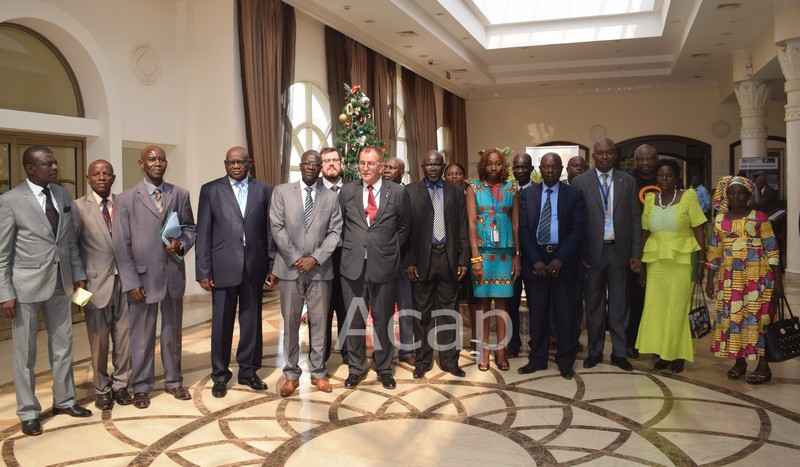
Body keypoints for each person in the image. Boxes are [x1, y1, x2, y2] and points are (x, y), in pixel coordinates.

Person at [0, 146, 91, 436]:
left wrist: (77, 274)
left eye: (55, 163)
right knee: (24, 354)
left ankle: (65, 400)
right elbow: (2, 254)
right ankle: (28, 412)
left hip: (60, 284)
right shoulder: (10, 201)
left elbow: (68, 243)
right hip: (24, 288)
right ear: (30, 168)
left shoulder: (62, 195)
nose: (55, 168)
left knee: (63, 346)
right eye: (48, 164)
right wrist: (5, 293)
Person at [112, 145, 197, 409]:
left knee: (172, 333)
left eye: (161, 158)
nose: (157, 162)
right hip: (142, 280)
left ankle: (174, 382)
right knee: (142, 335)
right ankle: (141, 386)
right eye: (152, 159)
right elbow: (121, 246)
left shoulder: (179, 194)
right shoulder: (125, 199)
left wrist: (181, 244)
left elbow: (190, 228)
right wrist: (131, 282)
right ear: (141, 164)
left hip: (172, 274)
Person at [195, 146, 274, 398]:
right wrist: (203, 270)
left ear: (249, 163)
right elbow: (203, 232)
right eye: (231, 162)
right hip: (222, 267)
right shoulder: (210, 190)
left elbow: (269, 231)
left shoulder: (264, 190)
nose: (236, 166)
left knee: (251, 323)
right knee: (221, 324)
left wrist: (272, 267)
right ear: (225, 164)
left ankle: (248, 371)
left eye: (240, 162)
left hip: (254, 266)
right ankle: (219, 374)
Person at [271, 150, 342, 397]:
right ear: (300, 166)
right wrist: (296, 258)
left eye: (316, 163)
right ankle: (291, 374)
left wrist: (315, 258)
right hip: (290, 269)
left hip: (320, 270)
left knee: (320, 323)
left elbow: (335, 232)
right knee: (290, 324)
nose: (312, 167)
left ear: (321, 167)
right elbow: (277, 227)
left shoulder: (331, 197)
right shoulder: (281, 192)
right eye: (307, 163)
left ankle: (319, 372)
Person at [338, 145, 410, 390]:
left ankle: (384, 368)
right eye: (361, 163)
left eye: (370, 164)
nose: (364, 168)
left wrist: (386, 248)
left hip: (385, 265)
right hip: (352, 266)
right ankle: (356, 368)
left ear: (381, 167)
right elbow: (342, 225)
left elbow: (404, 228)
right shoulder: (348, 191)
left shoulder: (398, 193)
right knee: (354, 320)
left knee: (383, 320)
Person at [571, 138, 642, 372]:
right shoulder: (580, 182)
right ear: (593, 156)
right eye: (600, 153)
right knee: (593, 303)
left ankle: (620, 353)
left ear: (615, 155)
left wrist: (635, 253)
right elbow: (576, 222)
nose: (604, 157)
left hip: (619, 251)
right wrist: (579, 252)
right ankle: (595, 351)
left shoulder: (628, 181)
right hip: (592, 253)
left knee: (620, 304)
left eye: (608, 153)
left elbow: (634, 219)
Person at [705, 176, 783, 385]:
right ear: (726, 195)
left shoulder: (759, 217)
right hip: (730, 279)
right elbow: (714, 250)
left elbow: (772, 249)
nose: (736, 197)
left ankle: (763, 367)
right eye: (732, 193)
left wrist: (778, 282)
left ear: (749, 195)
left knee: (759, 320)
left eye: (741, 193)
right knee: (734, 319)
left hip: (758, 277)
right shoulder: (720, 219)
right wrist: (710, 279)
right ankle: (739, 362)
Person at [518, 153, 585, 379]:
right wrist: (536, 259)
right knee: (538, 313)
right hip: (536, 260)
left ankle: (565, 361)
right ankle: (537, 359)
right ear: (539, 167)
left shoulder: (574, 194)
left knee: (565, 314)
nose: (549, 171)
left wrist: (560, 259)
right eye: (545, 166)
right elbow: (524, 229)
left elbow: (578, 229)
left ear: (561, 168)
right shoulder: (527, 194)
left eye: (554, 167)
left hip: (563, 261)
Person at [72, 159, 132, 410]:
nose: (102, 177)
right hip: (93, 284)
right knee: (99, 341)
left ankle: (121, 385)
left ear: (114, 178)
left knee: (125, 337)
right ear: (88, 178)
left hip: (126, 282)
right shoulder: (77, 208)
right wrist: (78, 280)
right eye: (96, 174)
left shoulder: (124, 204)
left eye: (107, 173)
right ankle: (101, 388)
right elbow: (71, 246)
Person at [403, 150, 468, 379]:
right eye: (429, 165)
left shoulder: (456, 191)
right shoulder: (410, 191)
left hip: (449, 259)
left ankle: (450, 361)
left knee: (449, 314)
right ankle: (422, 362)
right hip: (421, 261)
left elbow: (462, 227)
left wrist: (463, 259)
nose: (432, 168)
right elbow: (406, 230)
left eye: (437, 165)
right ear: (422, 166)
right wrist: (409, 261)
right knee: (422, 315)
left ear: (443, 167)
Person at [636, 160, 706, 373]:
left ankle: (677, 354)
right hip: (656, 261)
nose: (664, 179)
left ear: (676, 178)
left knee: (677, 308)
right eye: (660, 176)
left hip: (682, 261)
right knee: (656, 308)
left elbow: (699, 230)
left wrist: (702, 262)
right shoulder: (650, 199)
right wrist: (641, 263)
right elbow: (645, 232)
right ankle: (661, 353)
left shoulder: (688, 197)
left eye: (669, 176)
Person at [467, 148, 521, 371]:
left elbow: (516, 223)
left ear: (503, 166)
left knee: (503, 303)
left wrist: (518, 256)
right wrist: (475, 258)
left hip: (505, 255)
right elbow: (470, 223)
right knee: (481, 304)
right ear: (483, 165)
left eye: (498, 163)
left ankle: (501, 351)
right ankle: (483, 351)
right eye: (489, 164)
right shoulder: (473, 188)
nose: (494, 168)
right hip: (482, 254)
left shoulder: (512, 188)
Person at [625, 144, 659, 359]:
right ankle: (632, 342)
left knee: (657, 299)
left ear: (656, 159)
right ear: (635, 160)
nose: (645, 163)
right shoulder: (627, 181)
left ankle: (657, 343)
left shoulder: (666, 178)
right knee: (634, 299)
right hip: (633, 249)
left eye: (649, 158)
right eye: (641, 159)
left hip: (662, 250)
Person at [318, 147, 349, 365]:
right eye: (326, 160)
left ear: (341, 162)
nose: (331, 164)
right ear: (321, 165)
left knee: (347, 307)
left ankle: (350, 354)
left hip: (347, 256)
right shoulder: (313, 190)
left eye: (335, 160)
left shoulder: (353, 188)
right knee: (322, 310)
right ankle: (321, 356)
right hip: (321, 258)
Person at [383, 155, 415, 365]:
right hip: (380, 261)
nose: (387, 170)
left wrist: (410, 261)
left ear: (401, 173)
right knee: (382, 309)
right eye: (386, 166)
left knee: (406, 307)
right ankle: (383, 354)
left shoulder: (409, 193)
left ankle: (407, 350)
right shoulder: (374, 192)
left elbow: (412, 230)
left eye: (392, 168)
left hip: (403, 261)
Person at [444, 162, 479, 356]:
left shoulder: (472, 194)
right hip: (450, 255)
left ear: (464, 176)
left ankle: (475, 340)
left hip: (472, 254)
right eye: (450, 174)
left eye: (458, 174)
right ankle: (451, 342)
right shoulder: (442, 195)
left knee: (474, 300)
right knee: (451, 301)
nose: (454, 177)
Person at [506, 152, 533, 358]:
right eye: (517, 167)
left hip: (534, 257)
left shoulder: (540, 192)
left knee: (537, 302)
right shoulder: (507, 192)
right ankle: (513, 343)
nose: (520, 170)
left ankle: (537, 341)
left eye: (524, 167)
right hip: (511, 257)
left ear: (531, 169)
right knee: (512, 302)